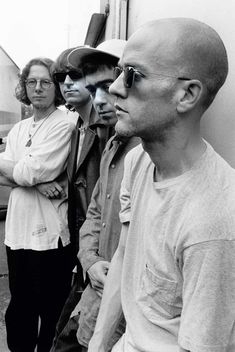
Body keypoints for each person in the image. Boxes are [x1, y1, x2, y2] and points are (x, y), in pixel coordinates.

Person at [87, 18, 235, 352]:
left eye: (133, 75)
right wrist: (97, 345)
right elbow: (125, 254)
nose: (114, 87)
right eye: (119, 71)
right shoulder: (138, 162)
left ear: (187, 95)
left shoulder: (216, 223)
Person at [50, 39, 129, 352]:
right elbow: (96, 212)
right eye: (94, 88)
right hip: (90, 280)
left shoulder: (141, 153)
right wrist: (90, 259)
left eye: (107, 85)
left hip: (116, 304)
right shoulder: (112, 144)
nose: (100, 99)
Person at [0, 57, 75, 352]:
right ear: (24, 86)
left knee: (52, 309)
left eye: (45, 82)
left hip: (49, 236)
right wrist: (37, 182)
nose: (38, 88)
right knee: (19, 309)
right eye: (32, 81)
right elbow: (19, 175)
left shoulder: (64, 125)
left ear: (55, 87)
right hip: (17, 232)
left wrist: (25, 174)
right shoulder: (19, 129)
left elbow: (28, 170)